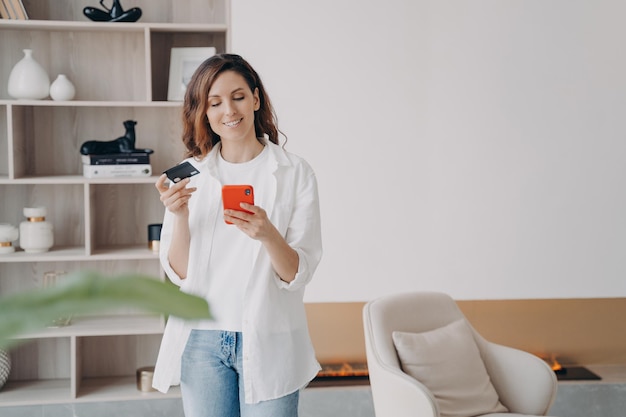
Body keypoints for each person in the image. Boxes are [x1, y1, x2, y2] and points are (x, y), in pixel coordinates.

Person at [152, 53, 323, 417]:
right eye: (215, 102)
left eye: (238, 96)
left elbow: (298, 273)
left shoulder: (294, 173)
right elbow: (180, 274)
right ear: (204, 112)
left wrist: (268, 234)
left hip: (269, 337)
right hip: (201, 341)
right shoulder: (190, 174)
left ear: (256, 99)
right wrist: (179, 215)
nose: (228, 110)